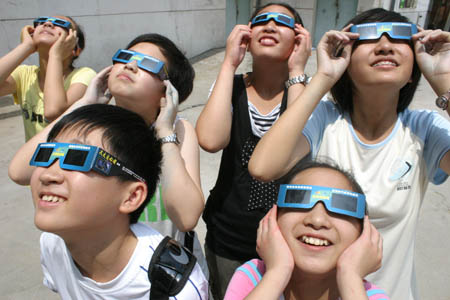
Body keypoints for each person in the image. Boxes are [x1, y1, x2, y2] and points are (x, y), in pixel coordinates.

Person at [249, 8, 450, 300]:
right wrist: (324, 77)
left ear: (413, 70)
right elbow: (262, 167)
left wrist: (444, 79)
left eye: (399, 38)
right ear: (347, 63)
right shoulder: (325, 120)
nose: (384, 45)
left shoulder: (425, 129)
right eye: (368, 38)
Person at [8, 33, 208, 278]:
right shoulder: (90, 128)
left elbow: (187, 217)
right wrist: (84, 103)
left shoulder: (178, 131)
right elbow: (19, 171)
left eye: (148, 64)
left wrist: (164, 132)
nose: (130, 65)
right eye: (124, 57)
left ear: (167, 90)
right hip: (100, 269)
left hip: (160, 273)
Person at [29, 103, 208, 299]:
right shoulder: (53, 243)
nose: (48, 175)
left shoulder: (177, 290)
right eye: (45, 154)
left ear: (131, 196)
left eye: (78, 158)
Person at [195, 2, 311, 298]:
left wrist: (298, 71)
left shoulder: (310, 93)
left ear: (299, 39)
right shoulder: (229, 87)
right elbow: (210, 140)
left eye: (282, 22)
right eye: (261, 20)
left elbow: (300, 144)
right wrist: (228, 64)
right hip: (228, 237)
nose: (270, 25)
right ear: (246, 35)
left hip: (290, 242)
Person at [224, 159, 387, 300]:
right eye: (299, 200)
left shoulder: (368, 295)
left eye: (340, 207)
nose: (317, 220)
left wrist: (350, 278)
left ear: (364, 233)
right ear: (273, 218)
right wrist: (277, 272)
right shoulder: (254, 278)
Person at [0, 15, 96, 141]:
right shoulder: (24, 74)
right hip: (32, 159)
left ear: (76, 49)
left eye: (61, 24)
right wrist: (26, 47)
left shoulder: (85, 75)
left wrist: (55, 55)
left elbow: (53, 111)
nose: (48, 24)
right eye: (41, 22)